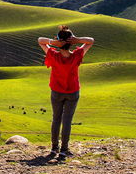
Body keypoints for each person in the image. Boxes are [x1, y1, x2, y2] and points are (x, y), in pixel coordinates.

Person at [37, 25, 94, 159]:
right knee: (67, 120)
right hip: (73, 92)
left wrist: (53, 43)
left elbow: (40, 40)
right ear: (71, 41)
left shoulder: (52, 54)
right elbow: (91, 40)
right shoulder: (77, 55)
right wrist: (77, 40)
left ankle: (54, 148)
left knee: (56, 119)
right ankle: (64, 149)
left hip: (56, 91)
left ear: (58, 42)